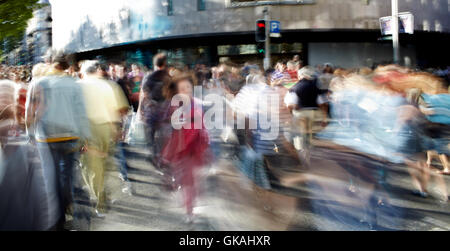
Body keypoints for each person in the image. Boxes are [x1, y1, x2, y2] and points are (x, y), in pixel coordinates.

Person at [25, 52, 91, 230]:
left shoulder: (38, 83)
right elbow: (81, 112)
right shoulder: (74, 84)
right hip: (71, 136)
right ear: (67, 64)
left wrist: (29, 133)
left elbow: (29, 111)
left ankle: (57, 218)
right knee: (67, 176)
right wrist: (86, 137)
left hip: (46, 137)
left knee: (50, 179)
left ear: (49, 62)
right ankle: (65, 207)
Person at [77, 60, 130, 217]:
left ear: (84, 71)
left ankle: (101, 202)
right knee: (104, 165)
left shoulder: (78, 86)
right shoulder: (110, 85)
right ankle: (103, 195)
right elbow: (122, 109)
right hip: (108, 129)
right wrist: (118, 130)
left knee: (90, 167)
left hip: (86, 129)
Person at [160, 73, 211, 222]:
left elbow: (202, 124)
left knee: (194, 180)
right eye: (182, 88)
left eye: (188, 87)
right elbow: (172, 126)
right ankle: (189, 210)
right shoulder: (174, 106)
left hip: (196, 148)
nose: (187, 90)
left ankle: (189, 204)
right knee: (187, 181)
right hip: (181, 150)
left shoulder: (196, 102)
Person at [140, 53, 172, 168]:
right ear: (164, 63)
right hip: (165, 112)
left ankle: (154, 156)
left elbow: (144, 94)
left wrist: (140, 110)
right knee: (164, 137)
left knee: (151, 136)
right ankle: (162, 158)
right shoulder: (169, 77)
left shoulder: (148, 76)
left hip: (151, 111)